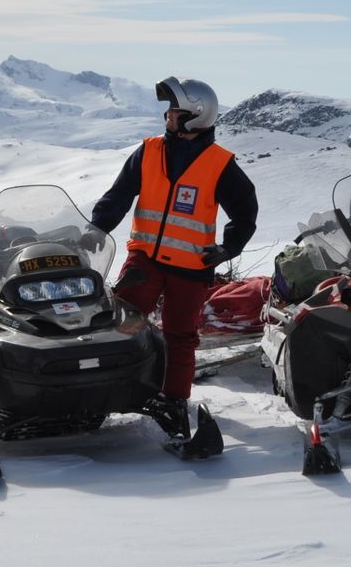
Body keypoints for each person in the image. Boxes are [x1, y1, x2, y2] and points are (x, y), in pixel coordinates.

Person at [88, 77, 258, 420]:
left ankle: (174, 400)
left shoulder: (220, 162)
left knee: (181, 336)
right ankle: (112, 389)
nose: (168, 116)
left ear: (196, 116)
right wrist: (96, 228)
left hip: (192, 265)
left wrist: (229, 248)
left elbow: (245, 210)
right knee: (122, 324)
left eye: (175, 111)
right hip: (145, 257)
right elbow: (119, 195)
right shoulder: (149, 150)